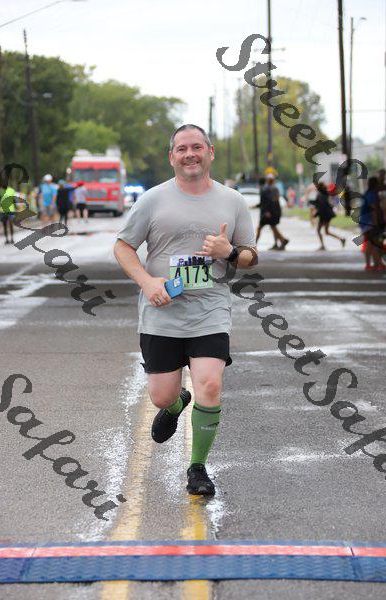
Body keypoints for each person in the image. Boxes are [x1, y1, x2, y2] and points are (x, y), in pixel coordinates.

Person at [114, 124, 257, 496]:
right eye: (182, 149)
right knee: (161, 396)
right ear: (172, 157)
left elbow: (250, 256)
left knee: (210, 383)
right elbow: (123, 247)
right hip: (161, 311)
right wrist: (147, 282)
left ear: (210, 152)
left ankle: (197, 468)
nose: (190, 154)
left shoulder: (232, 200)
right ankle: (177, 404)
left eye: (197, 147)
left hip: (210, 309)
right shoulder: (152, 200)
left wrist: (229, 252)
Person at [255, 173, 289, 250]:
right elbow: (270, 201)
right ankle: (281, 241)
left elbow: (269, 201)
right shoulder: (273, 188)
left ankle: (254, 245)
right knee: (273, 227)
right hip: (273, 211)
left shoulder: (267, 189)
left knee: (263, 227)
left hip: (269, 212)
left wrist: (267, 211)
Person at [360, 177, 384, 271]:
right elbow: (373, 211)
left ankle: (373, 264)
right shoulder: (371, 195)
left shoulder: (368, 193)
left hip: (365, 222)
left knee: (371, 243)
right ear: (376, 185)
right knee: (373, 243)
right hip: (369, 222)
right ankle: (375, 264)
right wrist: (376, 223)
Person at [313, 182, 345, 251]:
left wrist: (316, 214)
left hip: (324, 215)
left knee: (319, 230)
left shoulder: (320, 195)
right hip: (327, 215)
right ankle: (341, 239)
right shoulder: (325, 193)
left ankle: (323, 245)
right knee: (326, 231)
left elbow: (320, 206)